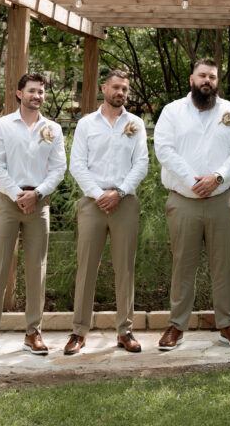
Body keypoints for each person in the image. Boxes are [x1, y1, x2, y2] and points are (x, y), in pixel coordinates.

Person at [154, 58, 230, 351]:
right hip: (184, 199)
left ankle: (228, 325)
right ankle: (176, 326)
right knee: (183, 264)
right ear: (191, 79)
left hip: (222, 199)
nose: (207, 80)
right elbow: (164, 149)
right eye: (202, 75)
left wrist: (217, 177)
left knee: (224, 265)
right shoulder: (172, 111)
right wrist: (193, 180)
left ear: (217, 81)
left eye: (212, 76)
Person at [0, 72, 66, 361]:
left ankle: (33, 333)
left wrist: (36, 194)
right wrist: (18, 194)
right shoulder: (0, 126)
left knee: (37, 270)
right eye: (32, 91)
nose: (37, 96)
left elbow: (58, 168)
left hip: (39, 205)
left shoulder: (52, 128)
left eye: (41, 92)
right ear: (19, 94)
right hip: (7, 202)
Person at [64, 69, 148, 355]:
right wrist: (100, 195)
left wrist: (120, 192)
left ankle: (125, 331)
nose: (120, 93)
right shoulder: (86, 124)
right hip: (93, 203)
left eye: (124, 89)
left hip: (125, 202)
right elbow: (77, 164)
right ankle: (78, 331)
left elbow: (142, 164)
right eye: (116, 87)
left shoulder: (135, 124)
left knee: (124, 268)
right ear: (104, 88)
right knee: (86, 267)